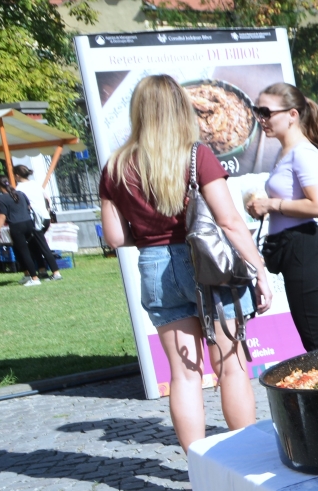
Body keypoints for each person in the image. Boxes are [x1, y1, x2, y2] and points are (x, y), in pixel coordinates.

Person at [99, 75, 272, 449]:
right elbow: (228, 221)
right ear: (181, 108)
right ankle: (248, 460)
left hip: (155, 266)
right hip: (210, 266)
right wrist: (259, 269)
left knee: (184, 375)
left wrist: (148, 238)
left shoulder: (115, 166)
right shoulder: (198, 156)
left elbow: (114, 238)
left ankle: (198, 470)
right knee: (231, 365)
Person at [244, 83, 318, 350]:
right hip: (297, 253)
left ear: (292, 114)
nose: (261, 118)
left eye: (266, 111)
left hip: (304, 251)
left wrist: (272, 205)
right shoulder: (285, 151)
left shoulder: (303, 153)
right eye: (257, 111)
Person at [0, 165, 61, 285]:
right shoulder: (31, 186)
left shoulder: (16, 191)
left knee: (26, 250)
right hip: (39, 219)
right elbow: (44, 200)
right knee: (39, 245)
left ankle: (33, 276)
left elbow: (3, 215)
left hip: (26, 222)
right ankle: (49, 271)